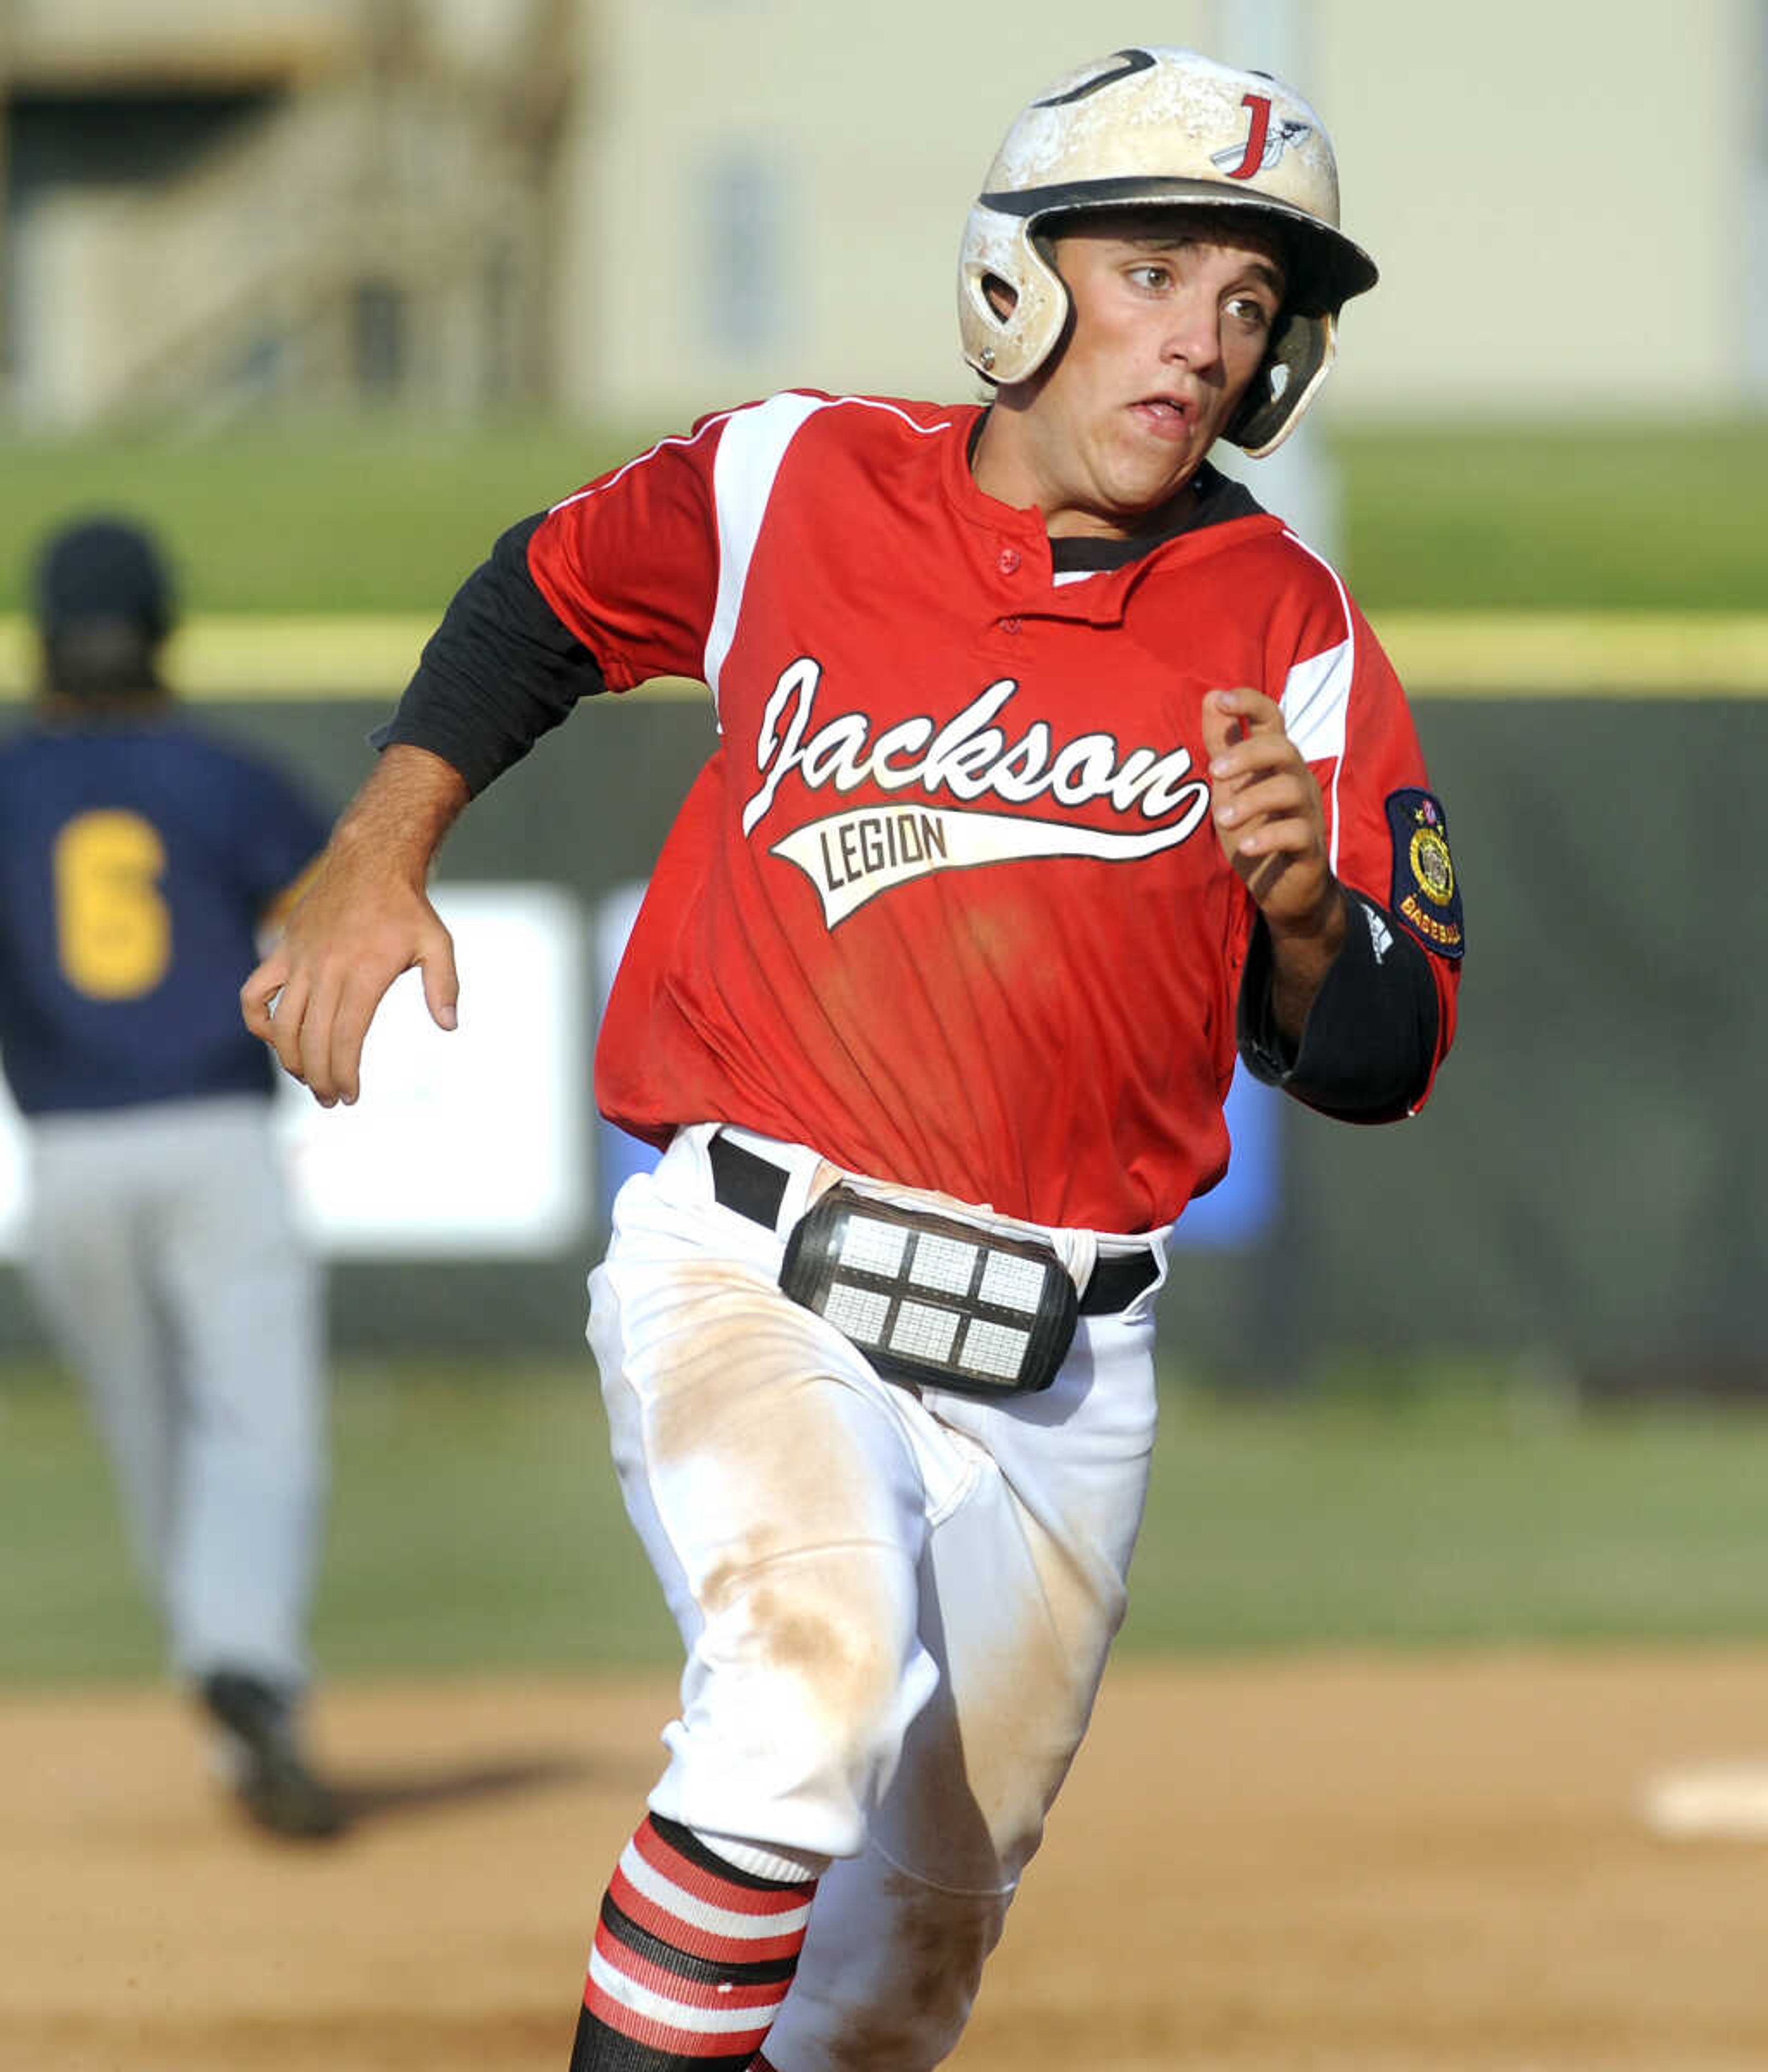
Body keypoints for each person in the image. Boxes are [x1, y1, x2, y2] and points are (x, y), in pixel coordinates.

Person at [244, 44, 1462, 2066]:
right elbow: (540, 598)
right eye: (1155, 272)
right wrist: (384, 848)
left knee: (899, 1986)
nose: (1201, 337)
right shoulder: (796, 479)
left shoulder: (1290, 623)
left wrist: (1307, 917)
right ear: (1019, 280)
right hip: (760, 1268)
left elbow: (1385, 1052)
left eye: (1248, 305)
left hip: (1071, 1371)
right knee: (803, 1690)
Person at [0, 515, 345, 1841]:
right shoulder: (219, 776)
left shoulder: (11, 785)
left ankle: (225, 1677)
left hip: (68, 1157)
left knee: (152, 1436)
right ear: (162, 630)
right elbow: (331, 900)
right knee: (255, 1419)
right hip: (214, 1136)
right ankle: (244, 1658)